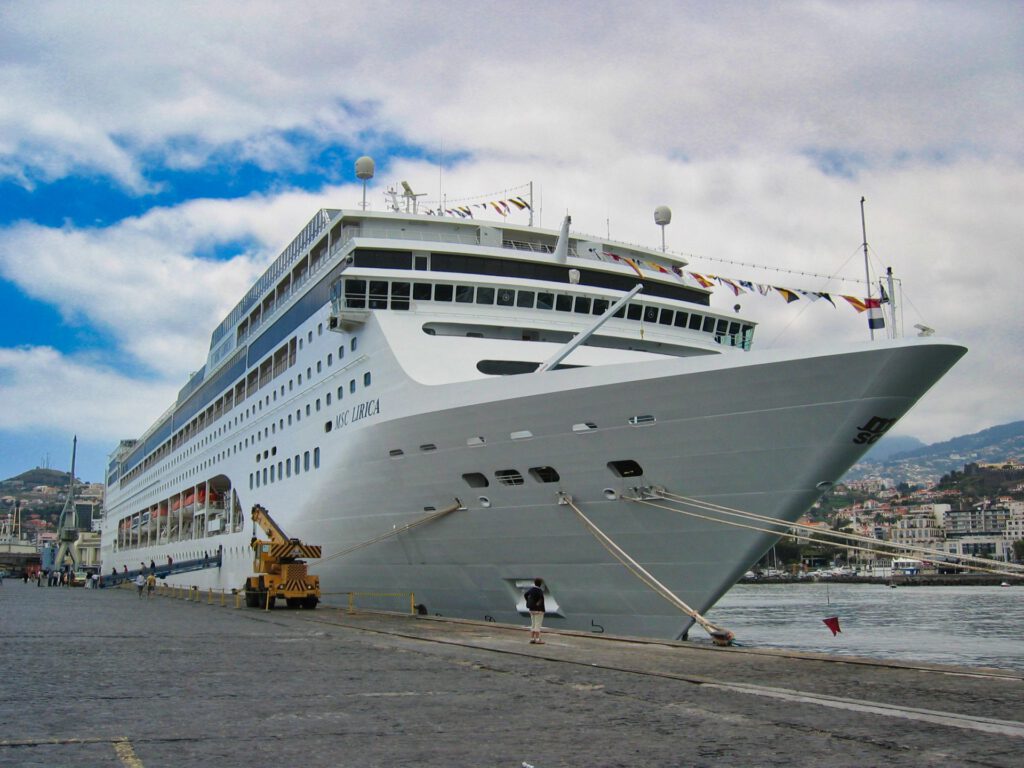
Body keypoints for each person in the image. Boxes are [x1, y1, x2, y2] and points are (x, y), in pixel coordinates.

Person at [524, 578, 546, 644]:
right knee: (537, 625)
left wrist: (529, 601)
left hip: (532, 610)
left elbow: (525, 594)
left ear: (534, 583)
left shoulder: (531, 590)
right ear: (540, 584)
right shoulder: (539, 591)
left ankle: (532, 638)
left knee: (533, 624)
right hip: (539, 610)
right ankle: (538, 639)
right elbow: (541, 599)